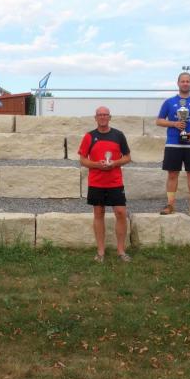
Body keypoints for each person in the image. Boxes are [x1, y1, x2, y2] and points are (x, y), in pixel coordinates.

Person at [78, 106, 132, 262]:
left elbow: (127, 157)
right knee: (99, 213)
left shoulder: (118, 135)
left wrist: (114, 163)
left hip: (115, 181)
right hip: (97, 182)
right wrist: (97, 165)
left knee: (121, 213)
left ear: (110, 117)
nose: (102, 117)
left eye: (105, 115)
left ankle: (121, 251)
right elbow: (82, 159)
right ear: (95, 118)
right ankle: (100, 252)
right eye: (99, 115)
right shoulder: (89, 136)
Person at [156, 72, 190, 216]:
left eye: (188, 81)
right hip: (173, 143)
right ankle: (170, 205)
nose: (185, 83)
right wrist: (174, 123)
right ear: (178, 83)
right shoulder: (169, 102)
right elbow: (159, 121)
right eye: (183, 81)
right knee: (172, 174)